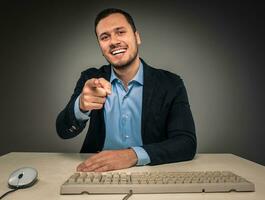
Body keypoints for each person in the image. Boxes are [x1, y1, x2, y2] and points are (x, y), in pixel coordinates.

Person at [56, 8, 197, 172]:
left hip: (152, 172)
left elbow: (186, 142)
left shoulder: (171, 83)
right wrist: (81, 105)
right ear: (100, 46)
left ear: (137, 37)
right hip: (97, 171)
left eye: (120, 32)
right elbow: (63, 131)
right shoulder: (91, 79)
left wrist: (132, 155)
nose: (114, 41)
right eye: (105, 37)